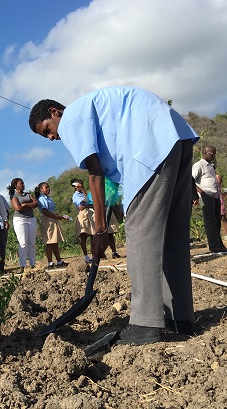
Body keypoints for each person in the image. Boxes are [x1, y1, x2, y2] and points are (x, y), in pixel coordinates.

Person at [29, 86, 198, 345]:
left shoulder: (72, 117)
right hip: (175, 135)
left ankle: (144, 323)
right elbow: (105, 175)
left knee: (141, 234)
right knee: (172, 235)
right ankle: (180, 318)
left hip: (148, 145)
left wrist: (99, 230)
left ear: (55, 112)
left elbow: (94, 172)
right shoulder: (96, 109)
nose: (51, 137)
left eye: (48, 130)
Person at [192, 146, 227, 253]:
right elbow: (191, 180)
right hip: (205, 195)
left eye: (214, 154)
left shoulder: (211, 167)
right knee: (210, 221)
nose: (213, 156)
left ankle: (219, 244)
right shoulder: (199, 165)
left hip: (214, 196)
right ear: (205, 153)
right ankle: (214, 245)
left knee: (217, 221)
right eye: (212, 154)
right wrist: (199, 193)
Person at [35, 182, 69, 268]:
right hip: (48, 220)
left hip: (53, 218)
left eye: (48, 187)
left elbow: (52, 210)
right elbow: (45, 211)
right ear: (41, 190)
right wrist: (56, 217)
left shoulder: (48, 198)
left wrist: (59, 216)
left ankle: (59, 261)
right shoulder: (42, 198)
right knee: (49, 241)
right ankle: (50, 262)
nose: (48, 189)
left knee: (55, 241)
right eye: (46, 187)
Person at [8, 178, 38, 271]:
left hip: (31, 219)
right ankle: (23, 265)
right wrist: (29, 205)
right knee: (23, 243)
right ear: (15, 186)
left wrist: (26, 205)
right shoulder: (14, 196)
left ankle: (33, 264)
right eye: (21, 183)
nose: (23, 185)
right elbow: (18, 208)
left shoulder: (28, 194)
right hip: (20, 220)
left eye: (23, 183)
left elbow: (36, 203)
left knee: (32, 243)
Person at [71, 178, 95, 263]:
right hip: (82, 215)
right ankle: (86, 256)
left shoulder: (86, 193)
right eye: (78, 184)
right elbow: (83, 204)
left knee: (93, 234)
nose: (80, 186)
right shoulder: (75, 196)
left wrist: (83, 190)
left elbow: (89, 201)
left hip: (89, 214)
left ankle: (94, 254)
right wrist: (87, 205)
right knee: (83, 235)